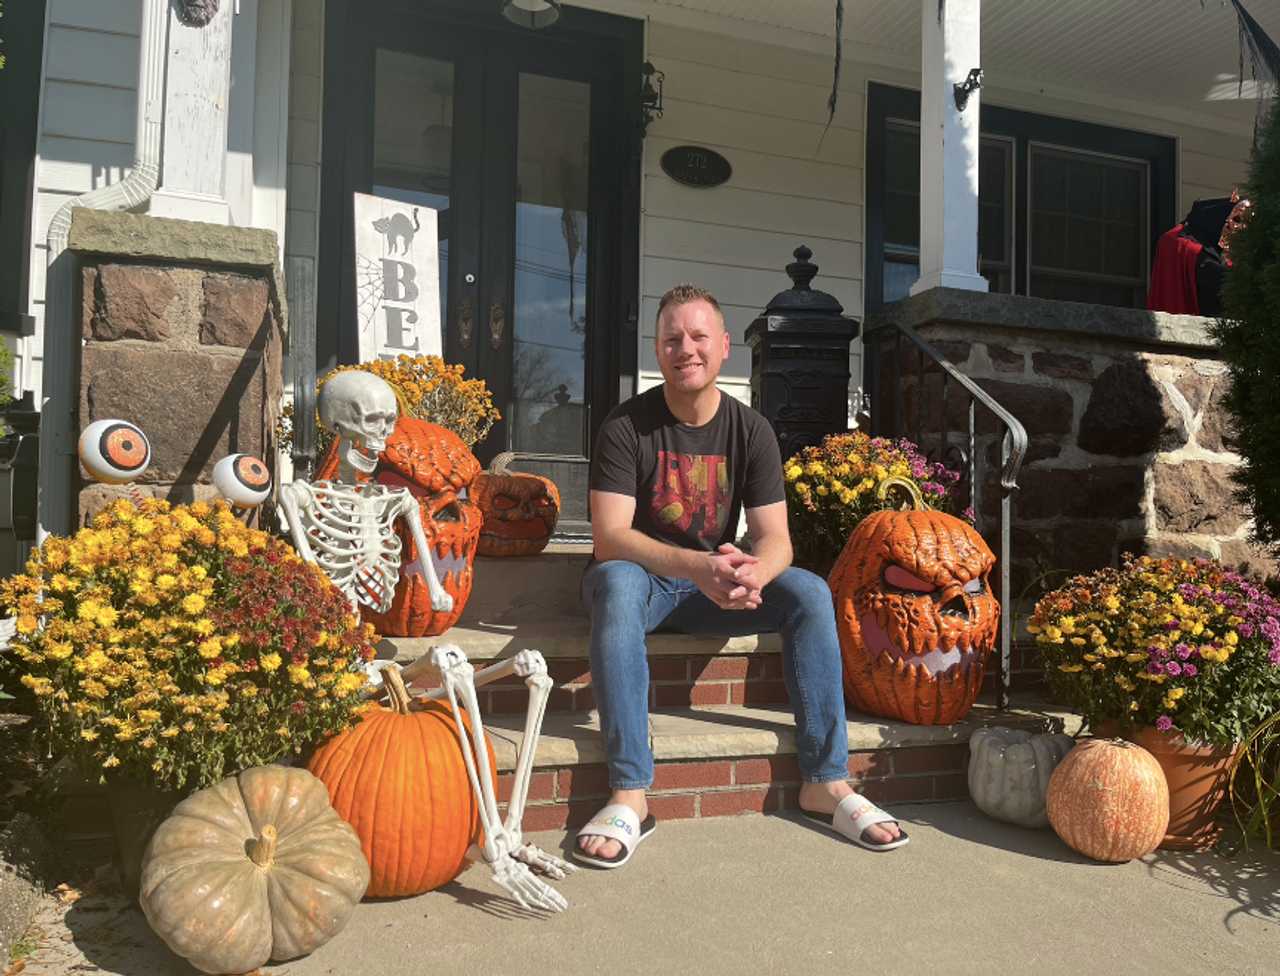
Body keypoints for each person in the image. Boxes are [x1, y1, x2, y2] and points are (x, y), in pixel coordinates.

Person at [571, 284, 906, 869]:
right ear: (658, 347)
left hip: (713, 586)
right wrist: (699, 566)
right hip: (648, 584)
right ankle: (630, 793)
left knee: (806, 588)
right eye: (672, 338)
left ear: (724, 346)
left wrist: (754, 573)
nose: (686, 349)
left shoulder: (751, 430)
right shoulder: (626, 426)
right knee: (616, 579)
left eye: (699, 336)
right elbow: (610, 537)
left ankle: (825, 782)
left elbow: (777, 538)